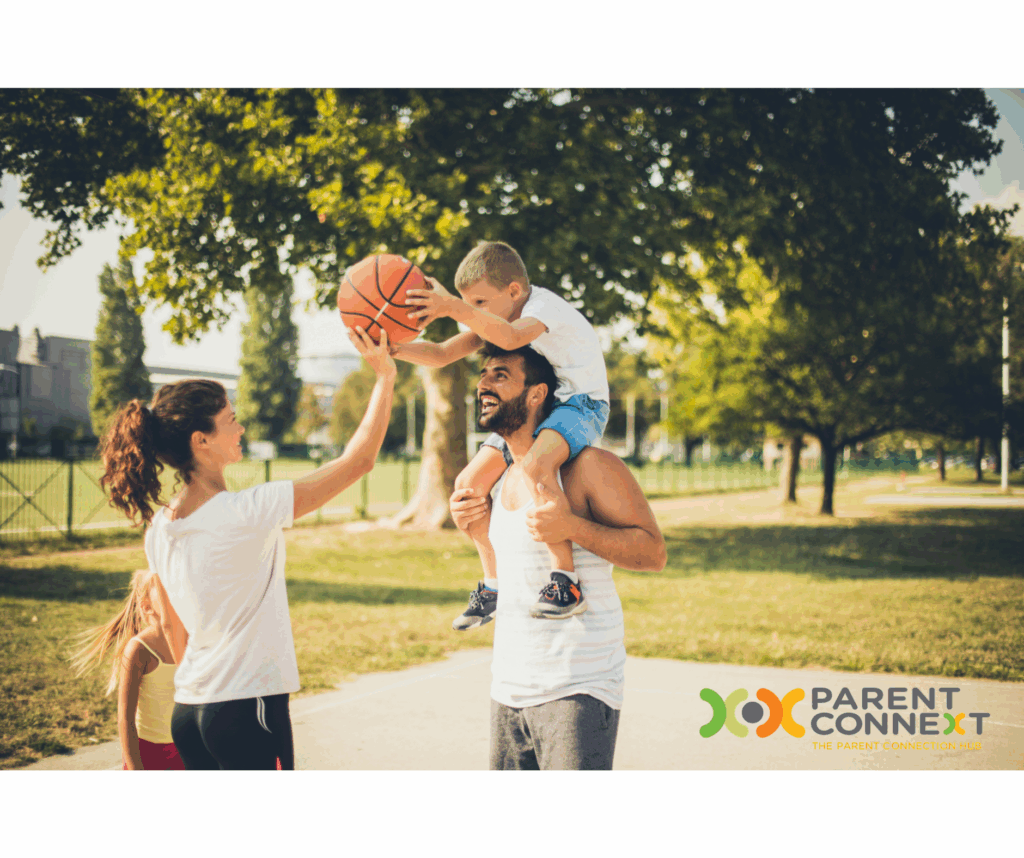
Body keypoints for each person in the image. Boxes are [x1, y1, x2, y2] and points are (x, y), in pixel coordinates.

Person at [97, 326, 396, 770]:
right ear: (201, 441)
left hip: (191, 710)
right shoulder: (248, 510)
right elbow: (359, 461)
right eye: (230, 419)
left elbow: (178, 639)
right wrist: (385, 379)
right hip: (245, 705)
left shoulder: (160, 528)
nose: (240, 427)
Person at [450, 343, 666, 770]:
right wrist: (473, 525)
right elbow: (516, 570)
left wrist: (575, 528)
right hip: (508, 689)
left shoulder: (589, 467)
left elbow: (653, 552)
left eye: (500, 375)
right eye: (484, 375)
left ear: (536, 394)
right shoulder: (500, 478)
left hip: (577, 689)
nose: (484, 385)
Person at [396, 241, 610, 630]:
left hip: (582, 405)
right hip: (536, 407)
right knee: (467, 485)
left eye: (480, 303)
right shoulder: (496, 318)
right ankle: (494, 585)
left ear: (514, 291)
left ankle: (565, 581)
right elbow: (443, 353)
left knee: (537, 463)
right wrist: (391, 347)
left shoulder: (544, 309)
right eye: (469, 304)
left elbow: (511, 338)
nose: (472, 313)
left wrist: (454, 307)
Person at [72, 568, 186, 770]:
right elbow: (125, 718)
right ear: (147, 607)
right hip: (148, 752)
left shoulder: (188, 641)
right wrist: (134, 768)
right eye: (166, 590)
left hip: (184, 746)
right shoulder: (139, 650)